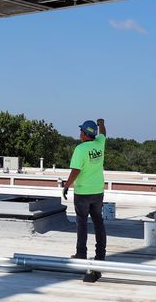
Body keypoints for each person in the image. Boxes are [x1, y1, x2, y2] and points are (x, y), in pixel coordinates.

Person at [63, 118, 107, 281]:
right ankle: (100, 256)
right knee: (98, 222)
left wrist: (67, 185)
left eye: (81, 131)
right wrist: (101, 123)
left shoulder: (80, 149)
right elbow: (103, 134)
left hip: (83, 193)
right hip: (98, 192)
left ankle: (81, 253)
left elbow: (75, 170)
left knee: (82, 223)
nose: (79, 133)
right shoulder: (99, 143)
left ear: (85, 134)